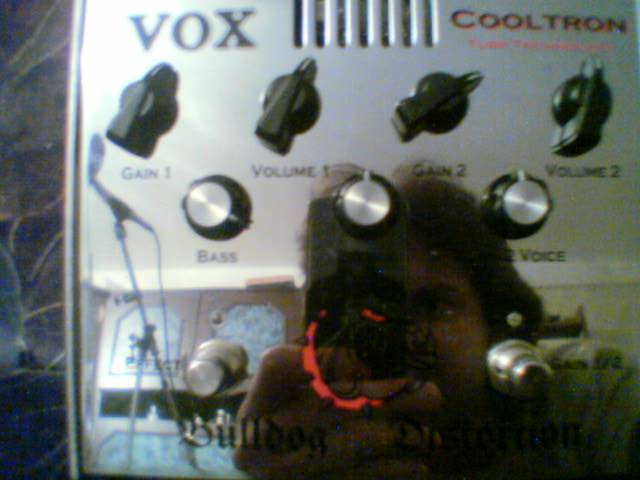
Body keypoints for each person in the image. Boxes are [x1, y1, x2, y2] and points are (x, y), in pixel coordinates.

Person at [232, 165, 639, 480]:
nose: (399, 336)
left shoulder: (587, 392)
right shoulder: (305, 442)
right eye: (362, 310)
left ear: (492, 323)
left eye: (432, 306)